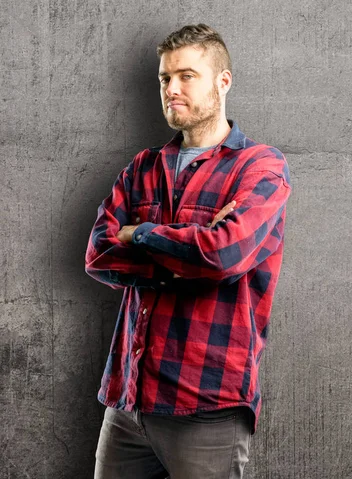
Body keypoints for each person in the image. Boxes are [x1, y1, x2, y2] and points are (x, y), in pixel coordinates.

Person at [85, 23, 291, 479]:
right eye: (164, 78)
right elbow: (98, 252)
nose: (172, 89)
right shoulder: (143, 166)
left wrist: (138, 234)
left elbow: (223, 255)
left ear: (223, 80)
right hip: (127, 403)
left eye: (186, 76)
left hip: (206, 406)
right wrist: (185, 257)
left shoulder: (260, 167)